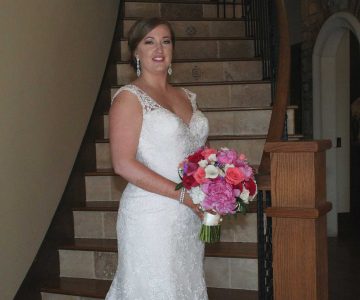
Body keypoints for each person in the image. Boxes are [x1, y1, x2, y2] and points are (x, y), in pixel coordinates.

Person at [105, 17, 209, 300]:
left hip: (188, 217)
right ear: (136, 52)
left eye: (166, 41)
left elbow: (199, 153)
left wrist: (218, 184)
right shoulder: (129, 98)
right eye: (149, 41)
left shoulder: (188, 96)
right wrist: (183, 196)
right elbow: (123, 164)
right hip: (151, 216)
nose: (159, 48)